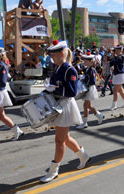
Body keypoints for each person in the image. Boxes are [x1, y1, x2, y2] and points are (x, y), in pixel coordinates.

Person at [40, 40, 91, 183]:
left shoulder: (69, 69)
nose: (52, 57)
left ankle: (53, 170)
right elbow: (54, 85)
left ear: (62, 54)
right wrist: (47, 89)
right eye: (52, 55)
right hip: (59, 105)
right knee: (65, 137)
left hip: (66, 105)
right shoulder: (57, 68)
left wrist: (55, 89)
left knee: (59, 140)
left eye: (55, 55)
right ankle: (83, 155)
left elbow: (72, 91)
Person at [76, 52, 105, 129]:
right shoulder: (88, 69)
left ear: (90, 61)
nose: (84, 62)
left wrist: (84, 79)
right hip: (88, 88)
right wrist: (83, 77)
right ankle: (99, 115)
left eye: (86, 61)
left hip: (90, 88)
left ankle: (84, 123)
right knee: (88, 105)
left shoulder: (91, 69)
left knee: (85, 105)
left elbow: (92, 80)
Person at [109, 45, 124, 110]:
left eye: (118, 50)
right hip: (116, 74)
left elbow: (120, 62)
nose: (116, 51)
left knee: (115, 90)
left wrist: (114, 57)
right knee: (120, 90)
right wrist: (112, 58)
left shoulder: (123, 57)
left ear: (121, 50)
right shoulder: (116, 57)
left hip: (120, 74)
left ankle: (114, 105)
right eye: (116, 50)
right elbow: (111, 63)